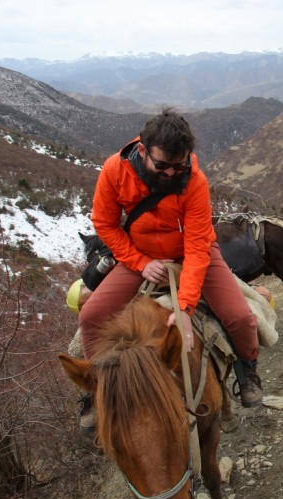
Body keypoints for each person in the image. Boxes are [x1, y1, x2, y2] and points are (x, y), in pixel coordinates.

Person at [76, 108, 263, 428]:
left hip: (193, 252)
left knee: (240, 317)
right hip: (140, 256)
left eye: (177, 167)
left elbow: (196, 247)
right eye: (161, 165)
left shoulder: (194, 181)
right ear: (142, 150)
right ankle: (100, 390)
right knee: (91, 316)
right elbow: (104, 224)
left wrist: (186, 308)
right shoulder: (114, 170)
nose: (169, 174)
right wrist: (139, 262)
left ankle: (248, 372)